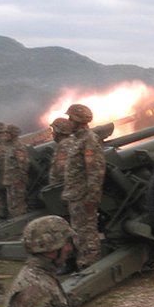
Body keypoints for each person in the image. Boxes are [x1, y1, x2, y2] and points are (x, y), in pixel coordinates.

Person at [62, 104, 106, 269]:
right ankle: (83, 263)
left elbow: (95, 171)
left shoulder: (89, 140)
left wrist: (92, 198)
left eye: (71, 118)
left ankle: (91, 266)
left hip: (83, 196)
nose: (68, 121)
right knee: (78, 232)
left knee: (88, 233)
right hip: (75, 194)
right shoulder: (76, 140)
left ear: (78, 120)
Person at [2, 124, 30, 219]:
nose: (5, 134)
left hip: (17, 181)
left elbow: (23, 164)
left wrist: (20, 179)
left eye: (7, 132)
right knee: (12, 205)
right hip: (10, 182)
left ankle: (21, 222)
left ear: (13, 134)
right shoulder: (9, 147)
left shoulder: (18, 147)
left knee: (18, 205)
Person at [48, 117, 75, 187]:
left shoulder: (63, 146)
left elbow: (61, 172)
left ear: (58, 131)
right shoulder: (73, 141)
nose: (52, 133)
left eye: (53, 130)